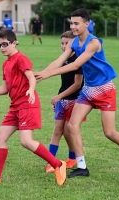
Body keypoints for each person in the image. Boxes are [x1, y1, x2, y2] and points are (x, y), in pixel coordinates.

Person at [34, 8, 119, 178]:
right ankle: (82, 167)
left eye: (76, 23)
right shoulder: (73, 42)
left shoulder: (94, 43)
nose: (73, 26)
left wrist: (48, 74)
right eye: (71, 23)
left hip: (105, 90)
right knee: (71, 126)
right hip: (88, 90)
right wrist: (41, 73)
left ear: (87, 24)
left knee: (109, 132)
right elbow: (60, 60)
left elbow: (75, 65)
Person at [0, 29, 66, 186]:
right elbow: (4, 89)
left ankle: (58, 165)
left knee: (26, 141)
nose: (1, 47)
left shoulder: (21, 59)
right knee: (0, 136)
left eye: (5, 44)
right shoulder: (6, 63)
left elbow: (30, 77)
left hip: (27, 104)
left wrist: (31, 89)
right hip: (15, 106)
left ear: (14, 43)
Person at [45, 31, 84, 173]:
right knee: (57, 130)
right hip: (62, 99)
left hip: (76, 100)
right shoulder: (63, 59)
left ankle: (72, 158)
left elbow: (77, 84)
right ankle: (51, 161)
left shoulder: (79, 60)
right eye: (62, 43)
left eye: (66, 43)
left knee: (68, 131)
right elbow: (54, 65)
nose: (63, 46)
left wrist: (59, 96)